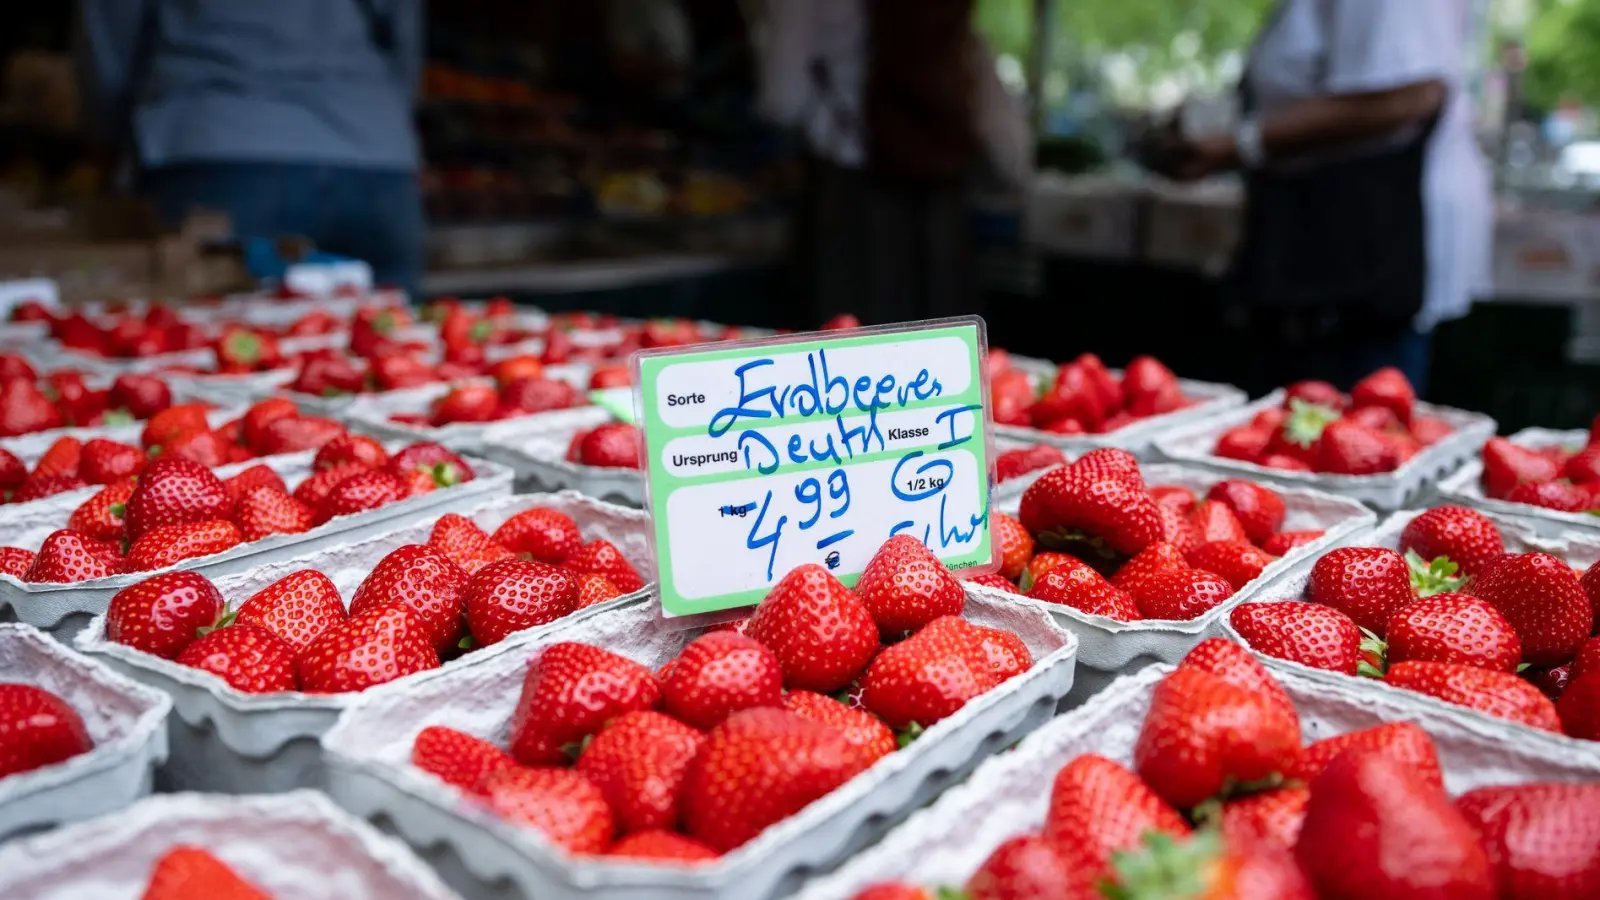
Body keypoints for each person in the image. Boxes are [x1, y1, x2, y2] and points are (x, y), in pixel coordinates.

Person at [1161, 0, 1491, 396]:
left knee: (1356, 417)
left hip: (1362, 262)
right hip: (1325, 255)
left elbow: (1411, 94)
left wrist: (1242, 144)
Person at [76, 1, 426, 299]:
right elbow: (404, 32)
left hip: (222, 141)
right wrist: (387, 120)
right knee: (395, 344)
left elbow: (110, 39)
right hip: (375, 152)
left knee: (219, 352)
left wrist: (113, 137)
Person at [751, 0, 1029, 327]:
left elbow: (782, 100)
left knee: (846, 343)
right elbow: (1005, 138)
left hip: (851, 197)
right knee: (946, 341)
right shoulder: (950, 15)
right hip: (941, 205)